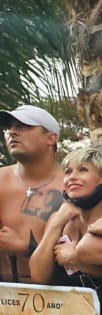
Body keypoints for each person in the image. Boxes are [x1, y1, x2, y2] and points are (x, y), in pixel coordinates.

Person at [29, 146, 102, 286]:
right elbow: (38, 276)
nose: (72, 177)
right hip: (63, 306)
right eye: (68, 172)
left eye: (83, 170)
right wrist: (56, 223)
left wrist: (80, 260)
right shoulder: (59, 220)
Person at [0, 103, 65, 282]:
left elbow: (85, 255)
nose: (12, 132)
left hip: (60, 299)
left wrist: (25, 248)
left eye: (23, 127)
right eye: (9, 128)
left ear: (51, 138)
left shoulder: (72, 186)